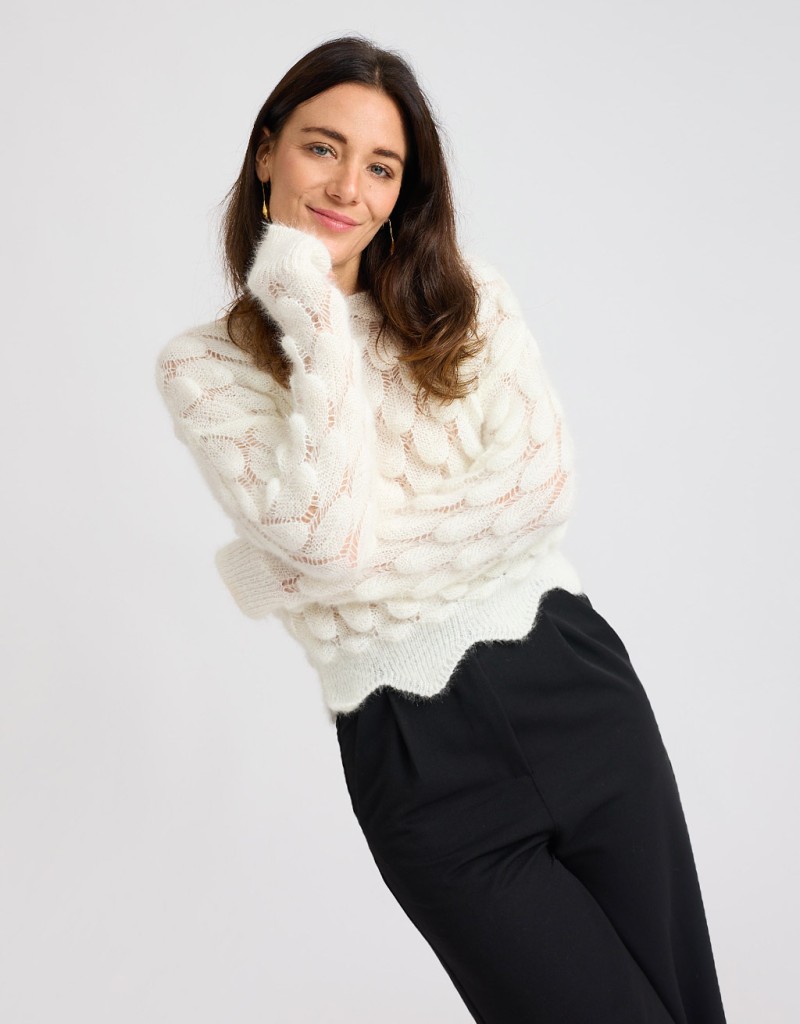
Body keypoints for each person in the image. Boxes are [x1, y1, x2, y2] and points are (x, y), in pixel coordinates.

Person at [155, 35, 727, 1024]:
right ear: (266, 151)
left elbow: (538, 494)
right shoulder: (204, 368)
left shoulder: (471, 302)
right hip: (418, 762)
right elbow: (328, 545)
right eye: (322, 147)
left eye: (381, 166)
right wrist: (312, 317)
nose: (349, 186)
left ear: (404, 188)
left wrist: (273, 571)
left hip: (575, 691)